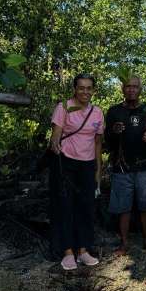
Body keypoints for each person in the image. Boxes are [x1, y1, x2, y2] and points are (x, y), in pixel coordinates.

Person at [49, 73, 104, 271]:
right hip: (66, 164)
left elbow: (97, 143)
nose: (85, 92)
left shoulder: (97, 112)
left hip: (87, 165)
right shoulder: (63, 107)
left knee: (86, 208)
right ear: (75, 89)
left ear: (93, 90)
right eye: (81, 87)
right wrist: (55, 143)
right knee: (65, 207)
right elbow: (56, 134)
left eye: (89, 88)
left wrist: (98, 170)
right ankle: (67, 252)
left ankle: (83, 250)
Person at [104, 75, 146, 256]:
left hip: (144, 165)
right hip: (122, 166)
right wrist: (113, 131)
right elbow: (106, 141)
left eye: (135, 87)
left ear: (140, 89)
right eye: (128, 86)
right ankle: (124, 242)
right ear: (122, 89)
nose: (131, 90)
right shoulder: (114, 111)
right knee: (123, 206)